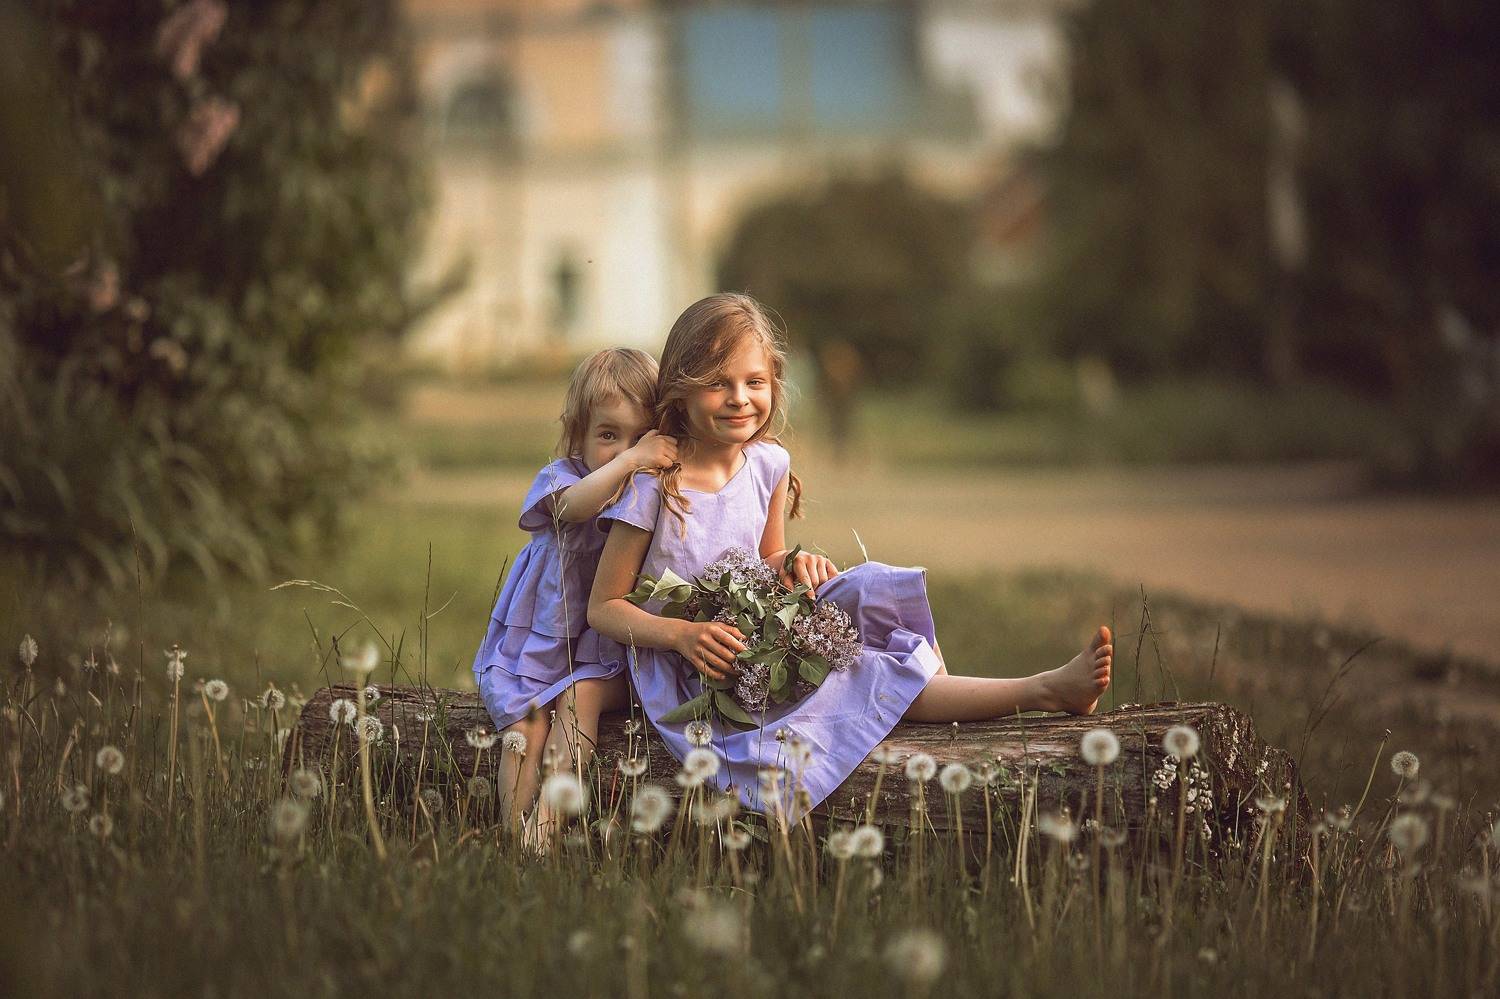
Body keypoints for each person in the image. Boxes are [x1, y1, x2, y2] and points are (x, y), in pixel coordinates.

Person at [588, 294, 1113, 817]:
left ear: (774, 383)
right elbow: (603, 607)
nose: (739, 399)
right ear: (680, 390)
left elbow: (766, 557)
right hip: (699, 664)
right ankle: (1041, 691)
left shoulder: (769, 463)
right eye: (717, 384)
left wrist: (793, 564)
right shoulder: (655, 484)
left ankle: (994, 693)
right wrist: (682, 635)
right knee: (865, 673)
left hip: (761, 627)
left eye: (755, 382)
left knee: (867, 588)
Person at [471, 347, 676, 836]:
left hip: (602, 645)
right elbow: (575, 508)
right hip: (543, 637)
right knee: (525, 724)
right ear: (577, 433)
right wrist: (634, 458)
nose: (623, 450)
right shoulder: (561, 478)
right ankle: (515, 837)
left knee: (575, 707)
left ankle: (543, 831)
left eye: (639, 436)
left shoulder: (650, 491)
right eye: (608, 435)